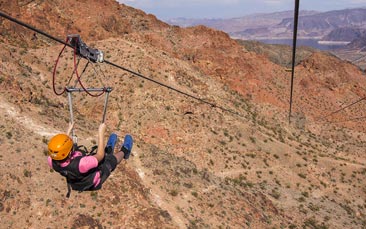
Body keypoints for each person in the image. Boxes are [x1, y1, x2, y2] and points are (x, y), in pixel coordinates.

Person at [47, 122, 133, 197]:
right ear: (69, 153)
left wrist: (68, 132)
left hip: (77, 181)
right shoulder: (82, 164)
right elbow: (100, 155)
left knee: (101, 156)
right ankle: (125, 151)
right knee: (110, 161)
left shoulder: (51, 160)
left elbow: (60, 151)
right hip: (94, 180)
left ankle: (109, 150)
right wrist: (101, 133)